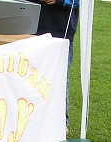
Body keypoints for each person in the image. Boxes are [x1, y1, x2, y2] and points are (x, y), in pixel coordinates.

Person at [34, 0, 79, 128]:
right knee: (29, 77)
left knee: (58, 80)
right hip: (29, 26)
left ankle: (61, 126)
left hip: (60, 31)